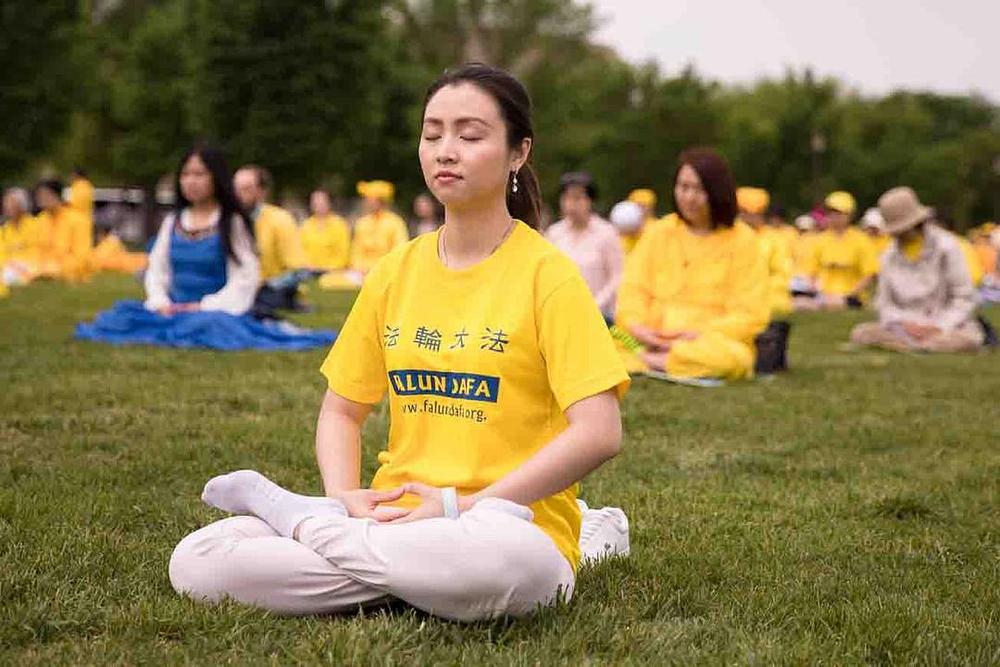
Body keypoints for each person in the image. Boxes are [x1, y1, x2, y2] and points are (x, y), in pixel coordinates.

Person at [169, 63, 631, 621]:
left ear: (518, 153)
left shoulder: (547, 275)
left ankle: (301, 523)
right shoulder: (396, 272)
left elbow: (600, 432)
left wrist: (465, 506)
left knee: (513, 566)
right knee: (199, 559)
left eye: (470, 134)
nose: (445, 150)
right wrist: (344, 497)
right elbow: (341, 411)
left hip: (505, 524)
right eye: (432, 133)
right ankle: (397, 567)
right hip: (395, 516)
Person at [615, 148, 769, 381]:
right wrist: (638, 327)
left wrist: (696, 334)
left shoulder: (743, 240)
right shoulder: (659, 232)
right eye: (683, 187)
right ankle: (656, 360)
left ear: (716, 192)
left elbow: (750, 313)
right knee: (601, 341)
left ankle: (651, 363)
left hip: (706, 342)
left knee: (736, 359)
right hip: (650, 338)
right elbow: (633, 290)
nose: (688, 197)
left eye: (698, 189)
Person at [850, 187, 983, 353]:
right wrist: (903, 323)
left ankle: (916, 346)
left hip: (946, 325)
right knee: (861, 333)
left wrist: (939, 326)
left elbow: (964, 298)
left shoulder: (947, 247)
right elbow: (884, 302)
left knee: (967, 338)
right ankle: (915, 345)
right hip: (904, 326)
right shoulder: (888, 256)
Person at [145, 146, 259, 315]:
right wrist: (161, 302)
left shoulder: (231, 223)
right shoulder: (172, 222)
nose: (191, 181)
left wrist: (204, 307)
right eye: (185, 175)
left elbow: (245, 276)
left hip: (215, 312)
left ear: (216, 177)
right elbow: (157, 269)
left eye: (199, 174)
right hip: (173, 309)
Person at [545, 172, 624, 321]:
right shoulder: (554, 233)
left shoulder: (606, 233)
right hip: (562, 312)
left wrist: (595, 305)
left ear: (590, 201)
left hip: (600, 315)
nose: (571, 204)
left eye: (577, 198)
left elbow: (617, 277)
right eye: (567, 198)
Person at [736, 187, 793, 373]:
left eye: (755, 213)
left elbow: (781, 275)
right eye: (744, 212)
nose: (749, 218)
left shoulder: (774, 240)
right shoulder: (729, 238)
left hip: (764, 299)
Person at [795, 191, 878, 311]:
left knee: (836, 303)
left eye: (838, 213)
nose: (833, 217)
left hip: (852, 296)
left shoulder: (861, 240)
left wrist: (850, 294)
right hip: (823, 295)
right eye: (830, 212)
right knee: (799, 303)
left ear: (849, 215)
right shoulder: (820, 239)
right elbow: (811, 272)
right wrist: (815, 290)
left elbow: (869, 273)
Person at [233, 165, 306, 282]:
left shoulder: (281, 220)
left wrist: (268, 288)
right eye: (235, 189)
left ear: (261, 192)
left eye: (246, 189)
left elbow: (298, 271)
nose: (237, 195)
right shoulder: (227, 222)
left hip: (272, 294)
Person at [32, 179, 92, 282]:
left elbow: (82, 257)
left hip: (70, 274)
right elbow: (34, 251)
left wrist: (58, 269)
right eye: (39, 196)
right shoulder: (39, 220)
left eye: (46, 195)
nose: (42, 199)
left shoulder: (77, 220)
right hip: (40, 270)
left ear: (57, 195)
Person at [349, 180, 409, 273]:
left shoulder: (395, 222)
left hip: (386, 270)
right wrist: (359, 268)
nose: (366, 202)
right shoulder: (362, 223)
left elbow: (399, 250)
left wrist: (383, 268)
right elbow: (356, 252)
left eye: (369, 199)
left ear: (381, 201)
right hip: (362, 271)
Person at [300, 189, 351, 271]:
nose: (319, 205)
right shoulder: (306, 226)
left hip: (334, 271)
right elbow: (301, 251)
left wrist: (328, 268)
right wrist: (308, 266)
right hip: (309, 271)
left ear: (329, 203)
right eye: (315, 202)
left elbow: (344, 253)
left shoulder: (339, 224)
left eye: (322, 202)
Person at [1, 187, 43, 286]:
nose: (7, 207)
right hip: (9, 267)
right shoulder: (4, 230)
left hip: (30, 266)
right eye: (6, 203)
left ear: (22, 205)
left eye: (11, 203)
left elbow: (37, 250)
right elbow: (2, 254)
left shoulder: (35, 225)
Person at [619, 188, 657, 254]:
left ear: (651, 208)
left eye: (644, 205)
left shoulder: (657, 226)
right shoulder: (623, 225)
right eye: (637, 205)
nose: (640, 209)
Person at [68, 166, 95, 249]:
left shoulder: (79, 186)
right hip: (86, 219)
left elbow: (75, 203)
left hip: (77, 221)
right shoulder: (88, 186)